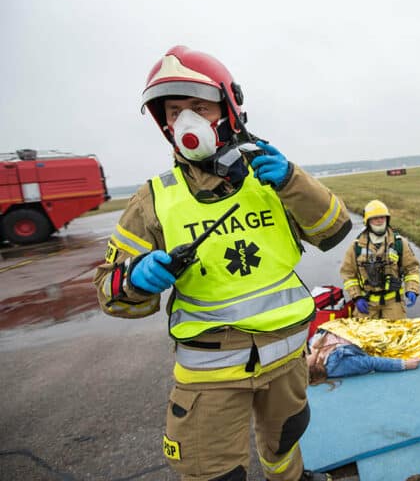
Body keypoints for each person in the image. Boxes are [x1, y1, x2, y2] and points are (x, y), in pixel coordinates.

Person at [93, 46, 351, 481]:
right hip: (211, 372)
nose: (186, 120)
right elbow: (112, 297)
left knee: (284, 446)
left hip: (287, 364)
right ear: (165, 124)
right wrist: (135, 279)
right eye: (175, 111)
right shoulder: (154, 199)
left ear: (228, 111)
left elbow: (335, 230)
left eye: (198, 106)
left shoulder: (270, 173)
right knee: (213, 473)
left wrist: (293, 180)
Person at [340, 199, 420, 320]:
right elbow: (348, 274)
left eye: (382, 217)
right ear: (367, 221)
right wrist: (356, 297)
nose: (379, 221)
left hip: (394, 301)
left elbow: (412, 269)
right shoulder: (356, 246)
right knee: (362, 336)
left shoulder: (399, 243)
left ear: (387, 219)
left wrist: (412, 289)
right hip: (367, 303)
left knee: (395, 335)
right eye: (375, 218)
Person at [307, 330, 420, 384]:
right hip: (366, 337)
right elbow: (372, 362)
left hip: (347, 329)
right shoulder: (339, 364)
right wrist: (404, 364)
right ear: (311, 367)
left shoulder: (315, 351)